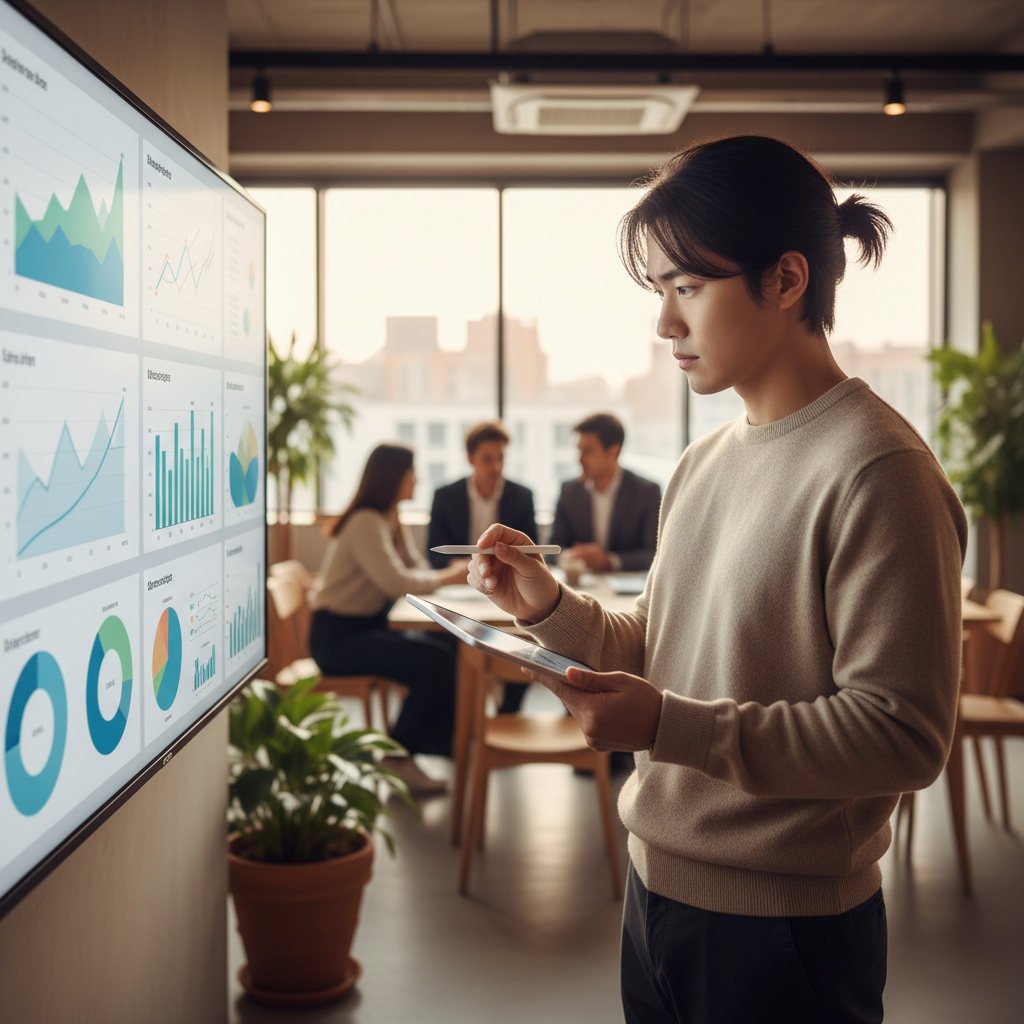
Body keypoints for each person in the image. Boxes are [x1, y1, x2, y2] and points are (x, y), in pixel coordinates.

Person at [468, 135, 966, 1023]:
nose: (665, 324)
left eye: (687, 288)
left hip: (785, 932)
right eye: (660, 291)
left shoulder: (879, 471)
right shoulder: (703, 462)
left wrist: (670, 726)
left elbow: (904, 737)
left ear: (785, 280)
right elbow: (659, 645)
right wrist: (543, 604)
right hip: (653, 894)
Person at [309, 443, 469, 795]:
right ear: (394, 477)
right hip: (337, 639)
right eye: (412, 472)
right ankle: (398, 756)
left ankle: (429, 747)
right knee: (437, 662)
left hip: (364, 629)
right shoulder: (367, 522)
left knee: (447, 646)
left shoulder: (390, 519)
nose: (418, 479)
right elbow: (396, 582)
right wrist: (450, 577)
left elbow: (415, 570)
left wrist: (443, 576)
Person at [549, 413, 661, 572]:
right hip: (579, 587)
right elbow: (552, 548)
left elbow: (653, 554)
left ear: (613, 451)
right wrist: (571, 556)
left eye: (587, 451)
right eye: (579, 450)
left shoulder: (646, 492)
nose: (579, 459)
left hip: (627, 591)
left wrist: (608, 561)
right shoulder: (569, 491)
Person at [427, 421, 538, 570]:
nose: (496, 467)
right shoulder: (445, 496)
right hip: (460, 579)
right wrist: (466, 566)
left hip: (506, 577)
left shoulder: (522, 497)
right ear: (470, 458)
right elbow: (434, 553)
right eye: (487, 459)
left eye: (501, 458)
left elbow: (530, 551)